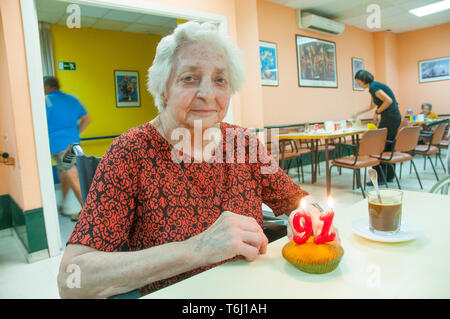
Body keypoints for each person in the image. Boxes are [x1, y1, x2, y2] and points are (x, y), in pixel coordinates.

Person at [57, 22, 339, 299]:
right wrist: (198, 248)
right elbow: (71, 280)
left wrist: (310, 215)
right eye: (189, 78)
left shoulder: (243, 143)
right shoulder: (130, 152)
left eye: (220, 80)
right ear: (163, 89)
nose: (207, 94)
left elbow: (296, 200)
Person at [44, 76, 91, 221]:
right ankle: (63, 205)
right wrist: (75, 134)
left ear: (47, 87)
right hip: (73, 144)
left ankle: (88, 212)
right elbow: (86, 119)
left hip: (58, 145)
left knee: (71, 174)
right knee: (64, 174)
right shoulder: (72, 99)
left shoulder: (46, 100)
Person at [353, 70, 402, 184]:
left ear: (363, 80)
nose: (358, 84)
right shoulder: (373, 87)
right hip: (392, 116)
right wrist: (358, 113)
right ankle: (389, 176)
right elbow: (372, 105)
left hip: (390, 117)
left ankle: (380, 178)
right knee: (387, 145)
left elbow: (388, 101)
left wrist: (377, 112)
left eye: (358, 82)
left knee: (380, 146)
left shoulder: (374, 88)